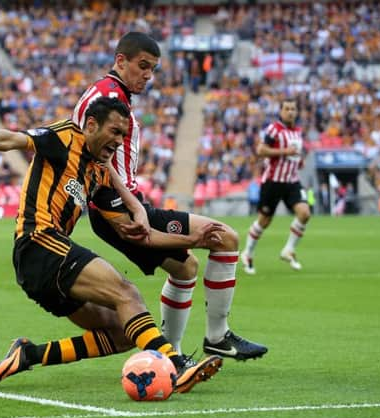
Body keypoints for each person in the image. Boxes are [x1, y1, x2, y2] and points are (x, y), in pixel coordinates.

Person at [0, 96, 222, 394]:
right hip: (39, 242)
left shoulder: (98, 173)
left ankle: (28, 354)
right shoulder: (65, 136)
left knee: (121, 333)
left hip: (45, 266)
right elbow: (11, 139)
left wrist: (192, 241)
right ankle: (175, 365)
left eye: (123, 135)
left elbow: (135, 234)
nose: (119, 141)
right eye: (115, 131)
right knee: (126, 292)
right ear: (91, 125)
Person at [73, 32, 267, 361]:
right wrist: (130, 210)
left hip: (121, 205)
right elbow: (96, 159)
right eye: (143, 66)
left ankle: (171, 356)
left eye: (153, 69)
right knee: (225, 238)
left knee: (187, 267)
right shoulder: (106, 98)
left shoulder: (107, 93)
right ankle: (214, 338)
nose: (148, 75)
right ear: (121, 61)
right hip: (114, 208)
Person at [241, 98, 311, 275]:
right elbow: (261, 150)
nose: (290, 112)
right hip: (273, 181)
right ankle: (247, 253)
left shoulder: (298, 131)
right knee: (264, 221)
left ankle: (288, 250)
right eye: (287, 109)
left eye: (293, 109)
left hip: (292, 181)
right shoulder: (274, 129)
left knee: (304, 213)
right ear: (281, 111)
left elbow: (295, 154)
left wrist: (298, 160)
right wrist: (284, 152)